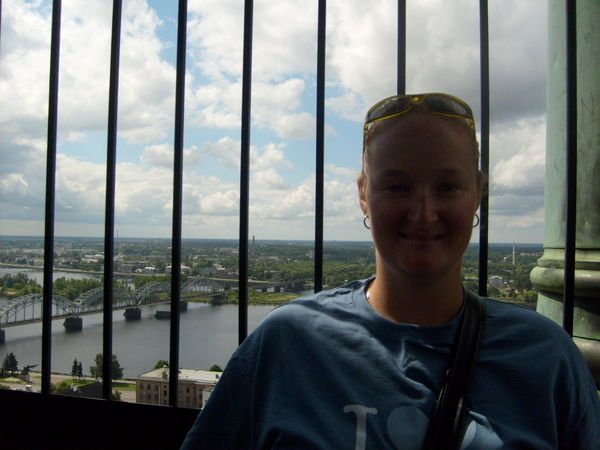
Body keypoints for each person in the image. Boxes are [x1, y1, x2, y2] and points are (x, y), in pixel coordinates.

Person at [181, 93, 600, 449]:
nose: (423, 213)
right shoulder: (288, 342)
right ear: (364, 194)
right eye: (397, 187)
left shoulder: (545, 357)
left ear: (478, 193)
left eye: (447, 187)